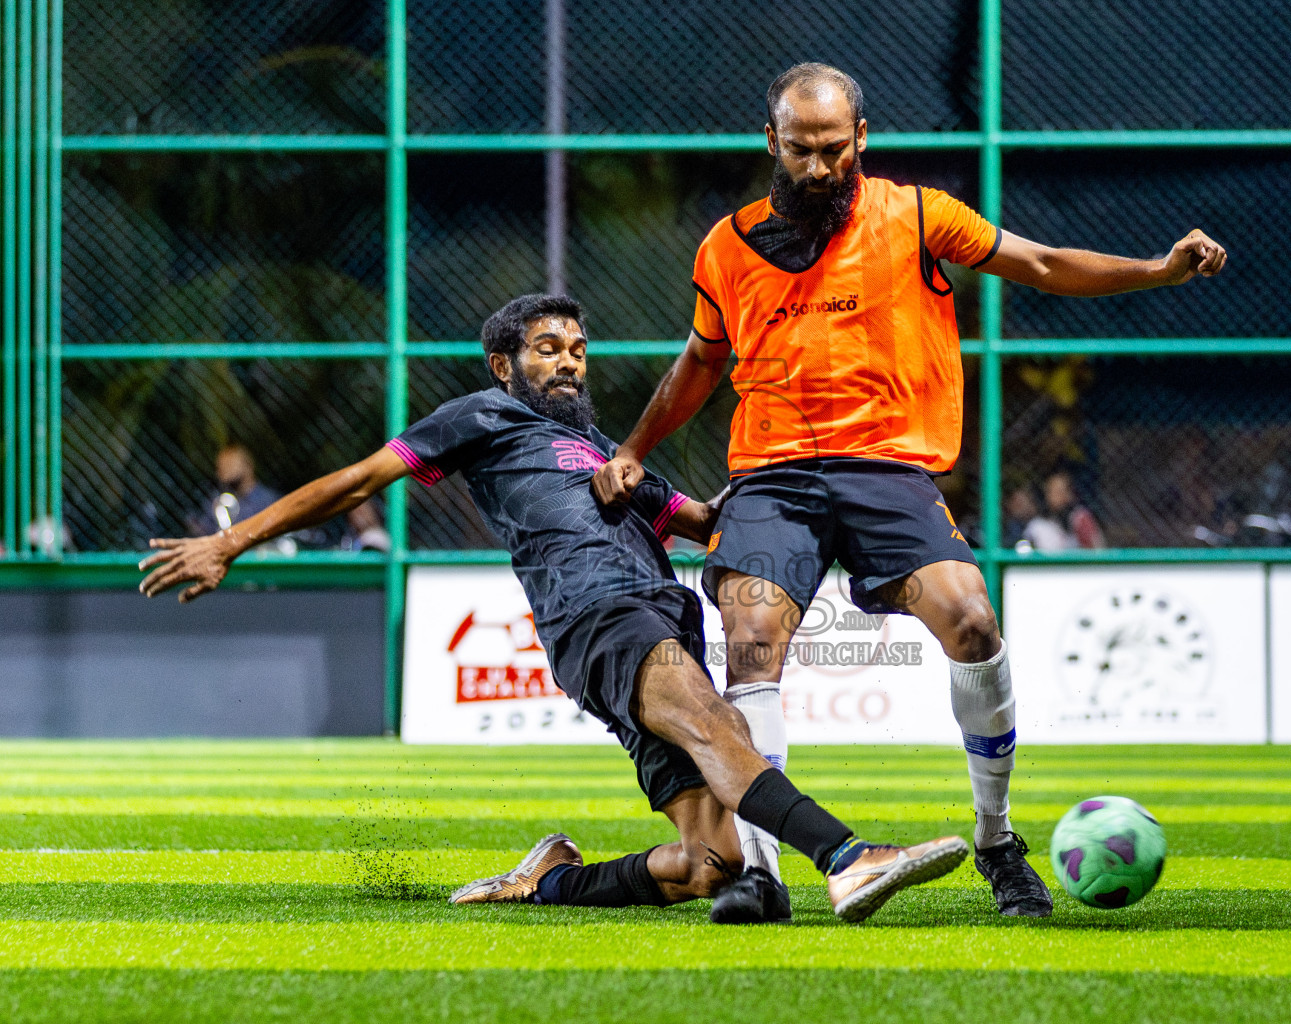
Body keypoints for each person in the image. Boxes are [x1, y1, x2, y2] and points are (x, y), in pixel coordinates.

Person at [593, 63, 1226, 921]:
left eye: (833, 149)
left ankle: (997, 841)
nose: (818, 167)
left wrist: (1158, 270)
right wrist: (633, 446)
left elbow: (1039, 262)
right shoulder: (726, 247)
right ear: (770, 141)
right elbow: (703, 362)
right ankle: (765, 874)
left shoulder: (920, 215)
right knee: (750, 635)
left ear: (861, 140)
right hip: (772, 476)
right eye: (801, 150)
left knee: (971, 619)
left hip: (889, 469)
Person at [137, 293, 967, 924]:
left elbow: (702, 521)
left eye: (576, 350)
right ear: (505, 365)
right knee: (718, 722)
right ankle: (847, 855)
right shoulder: (483, 415)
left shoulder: (609, 451)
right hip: (593, 612)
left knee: (707, 863)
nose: (569, 363)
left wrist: (815, 482)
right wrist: (230, 541)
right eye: (547, 350)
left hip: (661, 609)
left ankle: (546, 882)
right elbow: (357, 482)